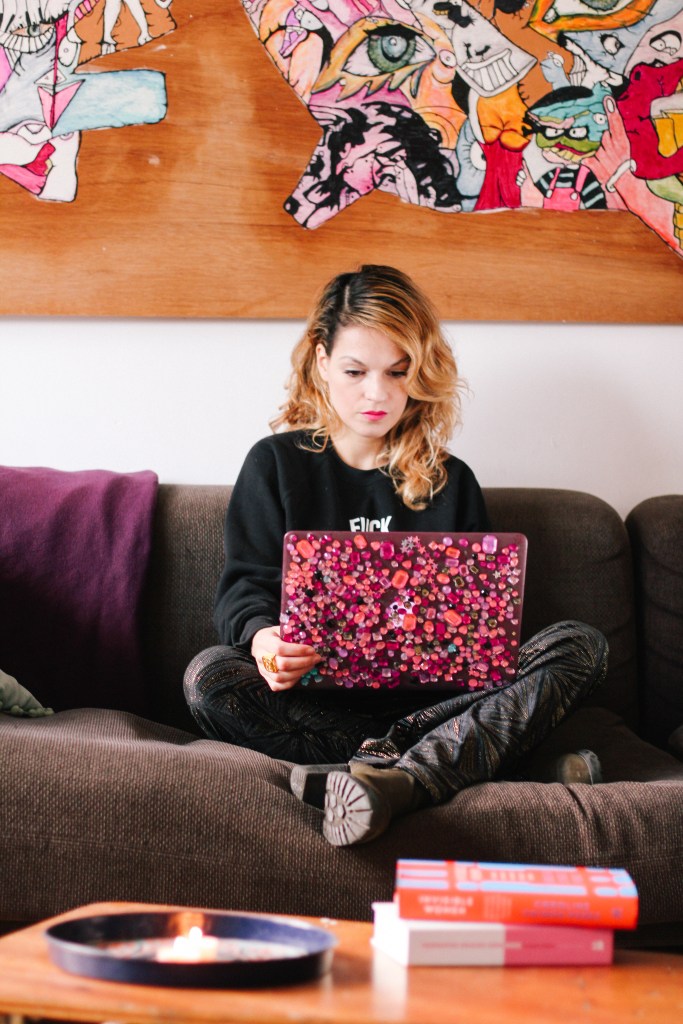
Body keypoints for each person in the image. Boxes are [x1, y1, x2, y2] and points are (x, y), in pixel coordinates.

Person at [184, 264, 607, 847]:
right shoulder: (275, 464)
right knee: (210, 677)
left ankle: (386, 775)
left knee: (580, 645)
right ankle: (445, 768)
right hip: (320, 703)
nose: (377, 393)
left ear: (420, 371)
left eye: (397, 372)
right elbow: (244, 586)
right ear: (321, 361)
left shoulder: (451, 481)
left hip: (444, 701)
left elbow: (485, 625)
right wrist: (263, 641)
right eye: (355, 371)